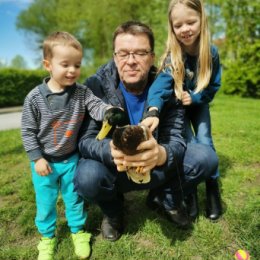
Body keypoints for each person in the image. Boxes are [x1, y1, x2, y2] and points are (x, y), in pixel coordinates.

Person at [73, 21, 218, 242]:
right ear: (114, 57)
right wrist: (110, 151)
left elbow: (177, 137)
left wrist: (161, 154)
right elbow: (85, 140)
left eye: (140, 53)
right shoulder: (95, 86)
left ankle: (165, 199)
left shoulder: (168, 85)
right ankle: (113, 212)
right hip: (116, 167)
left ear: (151, 57)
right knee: (86, 177)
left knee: (205, 158)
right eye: (123, 54)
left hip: (156, 167)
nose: (131, 61)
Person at [21, 31, 113, 260]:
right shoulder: (34, 98)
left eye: (77, 65)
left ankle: (78, 231)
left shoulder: (82, 93)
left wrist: (109, 112)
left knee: (74, 199)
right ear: (47, 65)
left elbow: (96, 105)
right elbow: (27, 131)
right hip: (44, 163)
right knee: (46, 203)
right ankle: (47, 237)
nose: (72, 70)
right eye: (65, 64)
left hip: (70, 159)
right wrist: (36, 158)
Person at [145, 0, 222, 221]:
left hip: (199, 105)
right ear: (172, 28)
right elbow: (160, 85)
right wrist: (153, 110)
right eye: (178, 25)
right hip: (178, 110)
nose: (185, 29)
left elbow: (213, 86)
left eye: (191, 22)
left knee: (205, 140)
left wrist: (196, 98)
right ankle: (190, 193)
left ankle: (212, 189)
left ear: (201, 20)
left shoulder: (211, 53)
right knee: (189, 146)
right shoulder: (173, 55)